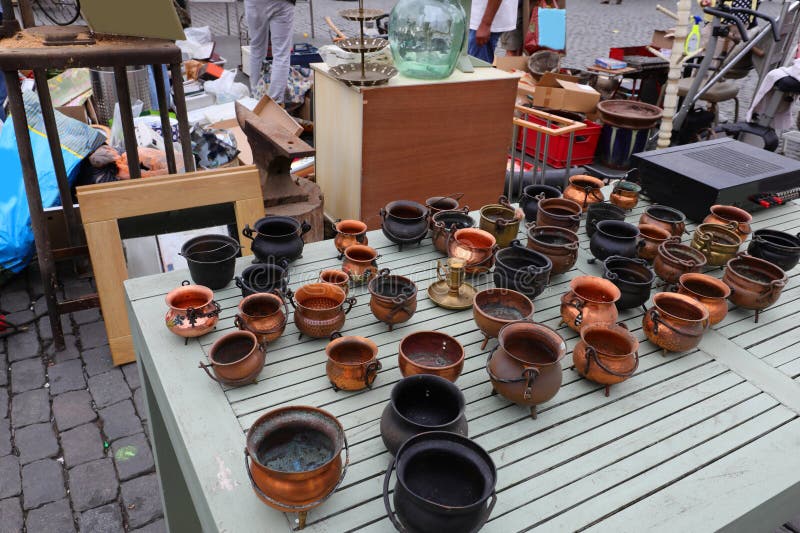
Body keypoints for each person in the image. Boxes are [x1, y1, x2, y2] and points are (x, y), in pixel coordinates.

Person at [245, 0, 295, 104]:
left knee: (256, 48)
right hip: (283, 3)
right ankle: (274, 102)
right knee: (281, 54)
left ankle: (255, 95)